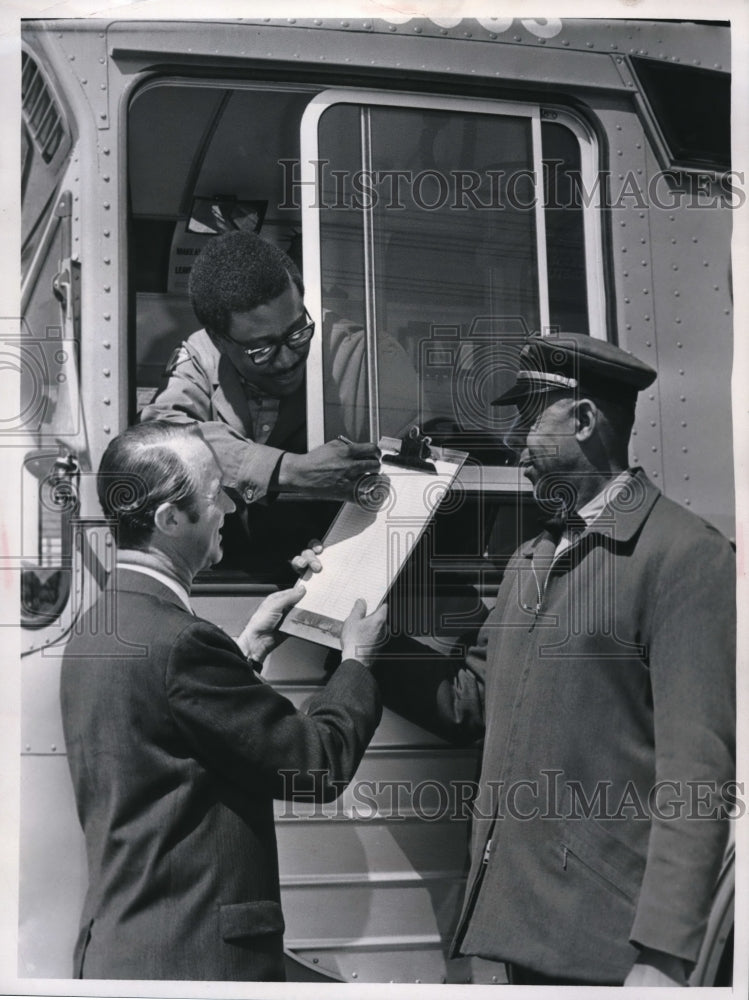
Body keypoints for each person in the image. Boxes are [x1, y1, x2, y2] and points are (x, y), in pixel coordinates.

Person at [377, 332, 735, 986]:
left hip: (609, 946)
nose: (514, 442)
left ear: (583, 419)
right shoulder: (532, 559)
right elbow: (472, 699)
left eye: (527, 418)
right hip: (525, 928)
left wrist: (663, 953)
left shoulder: (686, 556)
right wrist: (365, 642)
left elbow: (698, 774)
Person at [60, 421, 387, 981]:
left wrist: (246, 649)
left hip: (132, 948)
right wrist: (358, 661)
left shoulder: (98, 627)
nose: (231, 509)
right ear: (170, 519)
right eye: (217, 496)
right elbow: (316, 766)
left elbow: (171, 734)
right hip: (196, 960)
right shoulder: (183, 643)